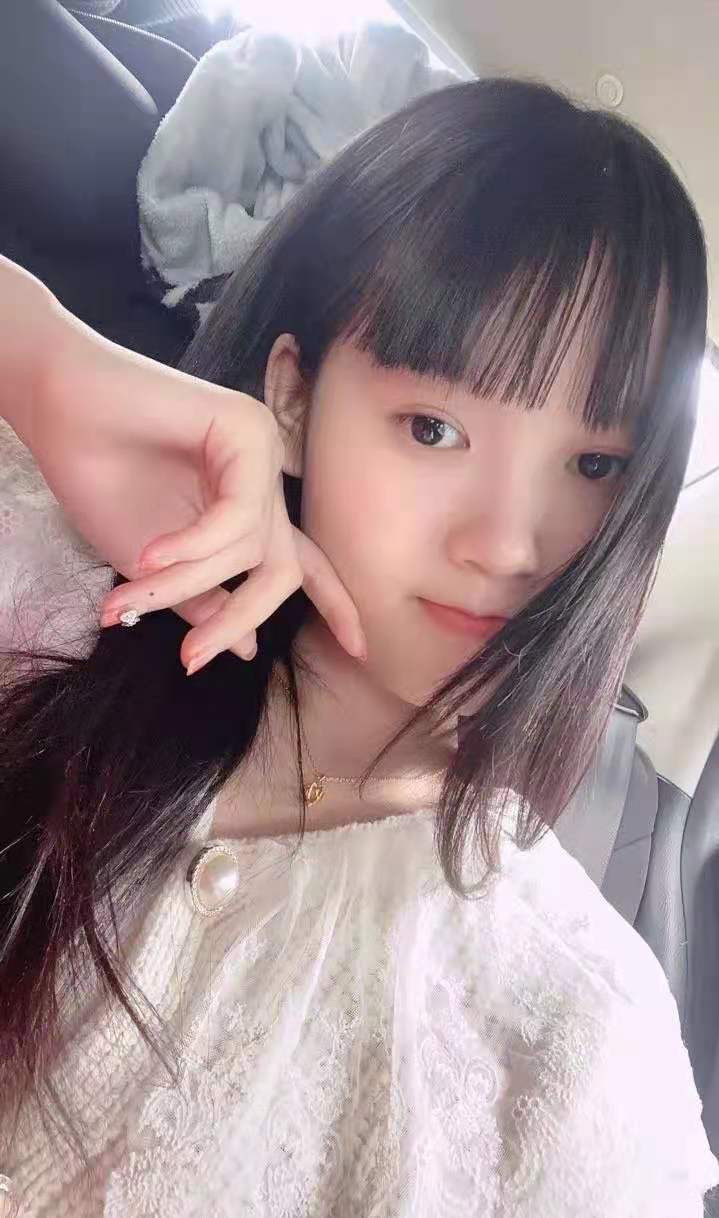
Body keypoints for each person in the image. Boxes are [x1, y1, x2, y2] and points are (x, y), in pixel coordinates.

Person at [0, 77, 717, 1216]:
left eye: (593, 466)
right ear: (291, 400)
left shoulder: (578, 1047)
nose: (508, 545)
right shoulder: (56, 576)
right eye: (433, 428)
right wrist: (39, 362)